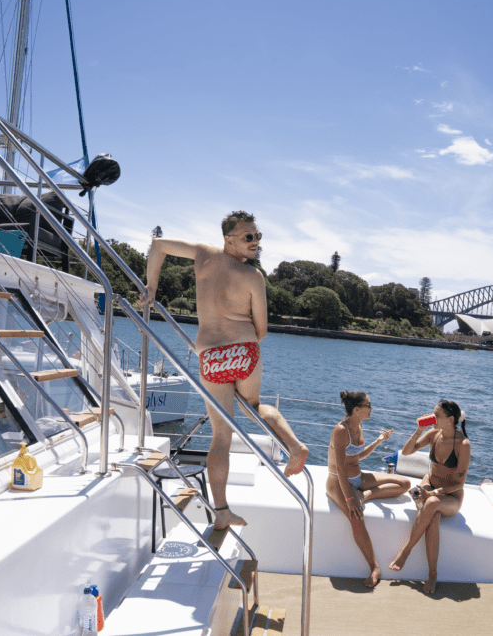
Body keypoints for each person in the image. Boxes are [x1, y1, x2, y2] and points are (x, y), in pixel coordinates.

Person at [142, 211, 309, 530]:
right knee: (255, 408)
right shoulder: (253, 276)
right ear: (229, 238)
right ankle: (295, 446)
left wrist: (152, 287)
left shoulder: (202, 254)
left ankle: (221, 511)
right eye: (249, 237)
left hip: (211, 356)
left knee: (221, 434)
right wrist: (240, 344)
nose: (256, 243)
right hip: (244, 351)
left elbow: (158, 245)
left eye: (258, 236)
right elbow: (261, 329)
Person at [326, 390, 411, 588]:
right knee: (356, 518)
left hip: (358, 478)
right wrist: (349, 497)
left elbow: (358, 456)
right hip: (338, 482)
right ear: (357, 409)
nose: (372, 408)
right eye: (369, 405)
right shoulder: (340, 430)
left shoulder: (360, 425)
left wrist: (378, 441)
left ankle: (365, 495)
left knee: (404, 484)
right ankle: (374, 567)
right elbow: (339, 467)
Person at [388, 399, 470, 594]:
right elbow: (407, 452)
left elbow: (458, 483)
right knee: (432, 516)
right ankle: (432, 573)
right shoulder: (433, 434)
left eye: (437, 416)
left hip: (451, 496)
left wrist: (433, 493)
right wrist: (418, 430)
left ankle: (405, 551)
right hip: (429, 485)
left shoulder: (463, 444)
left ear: (450, 419)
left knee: (432, 502)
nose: (432, 418)